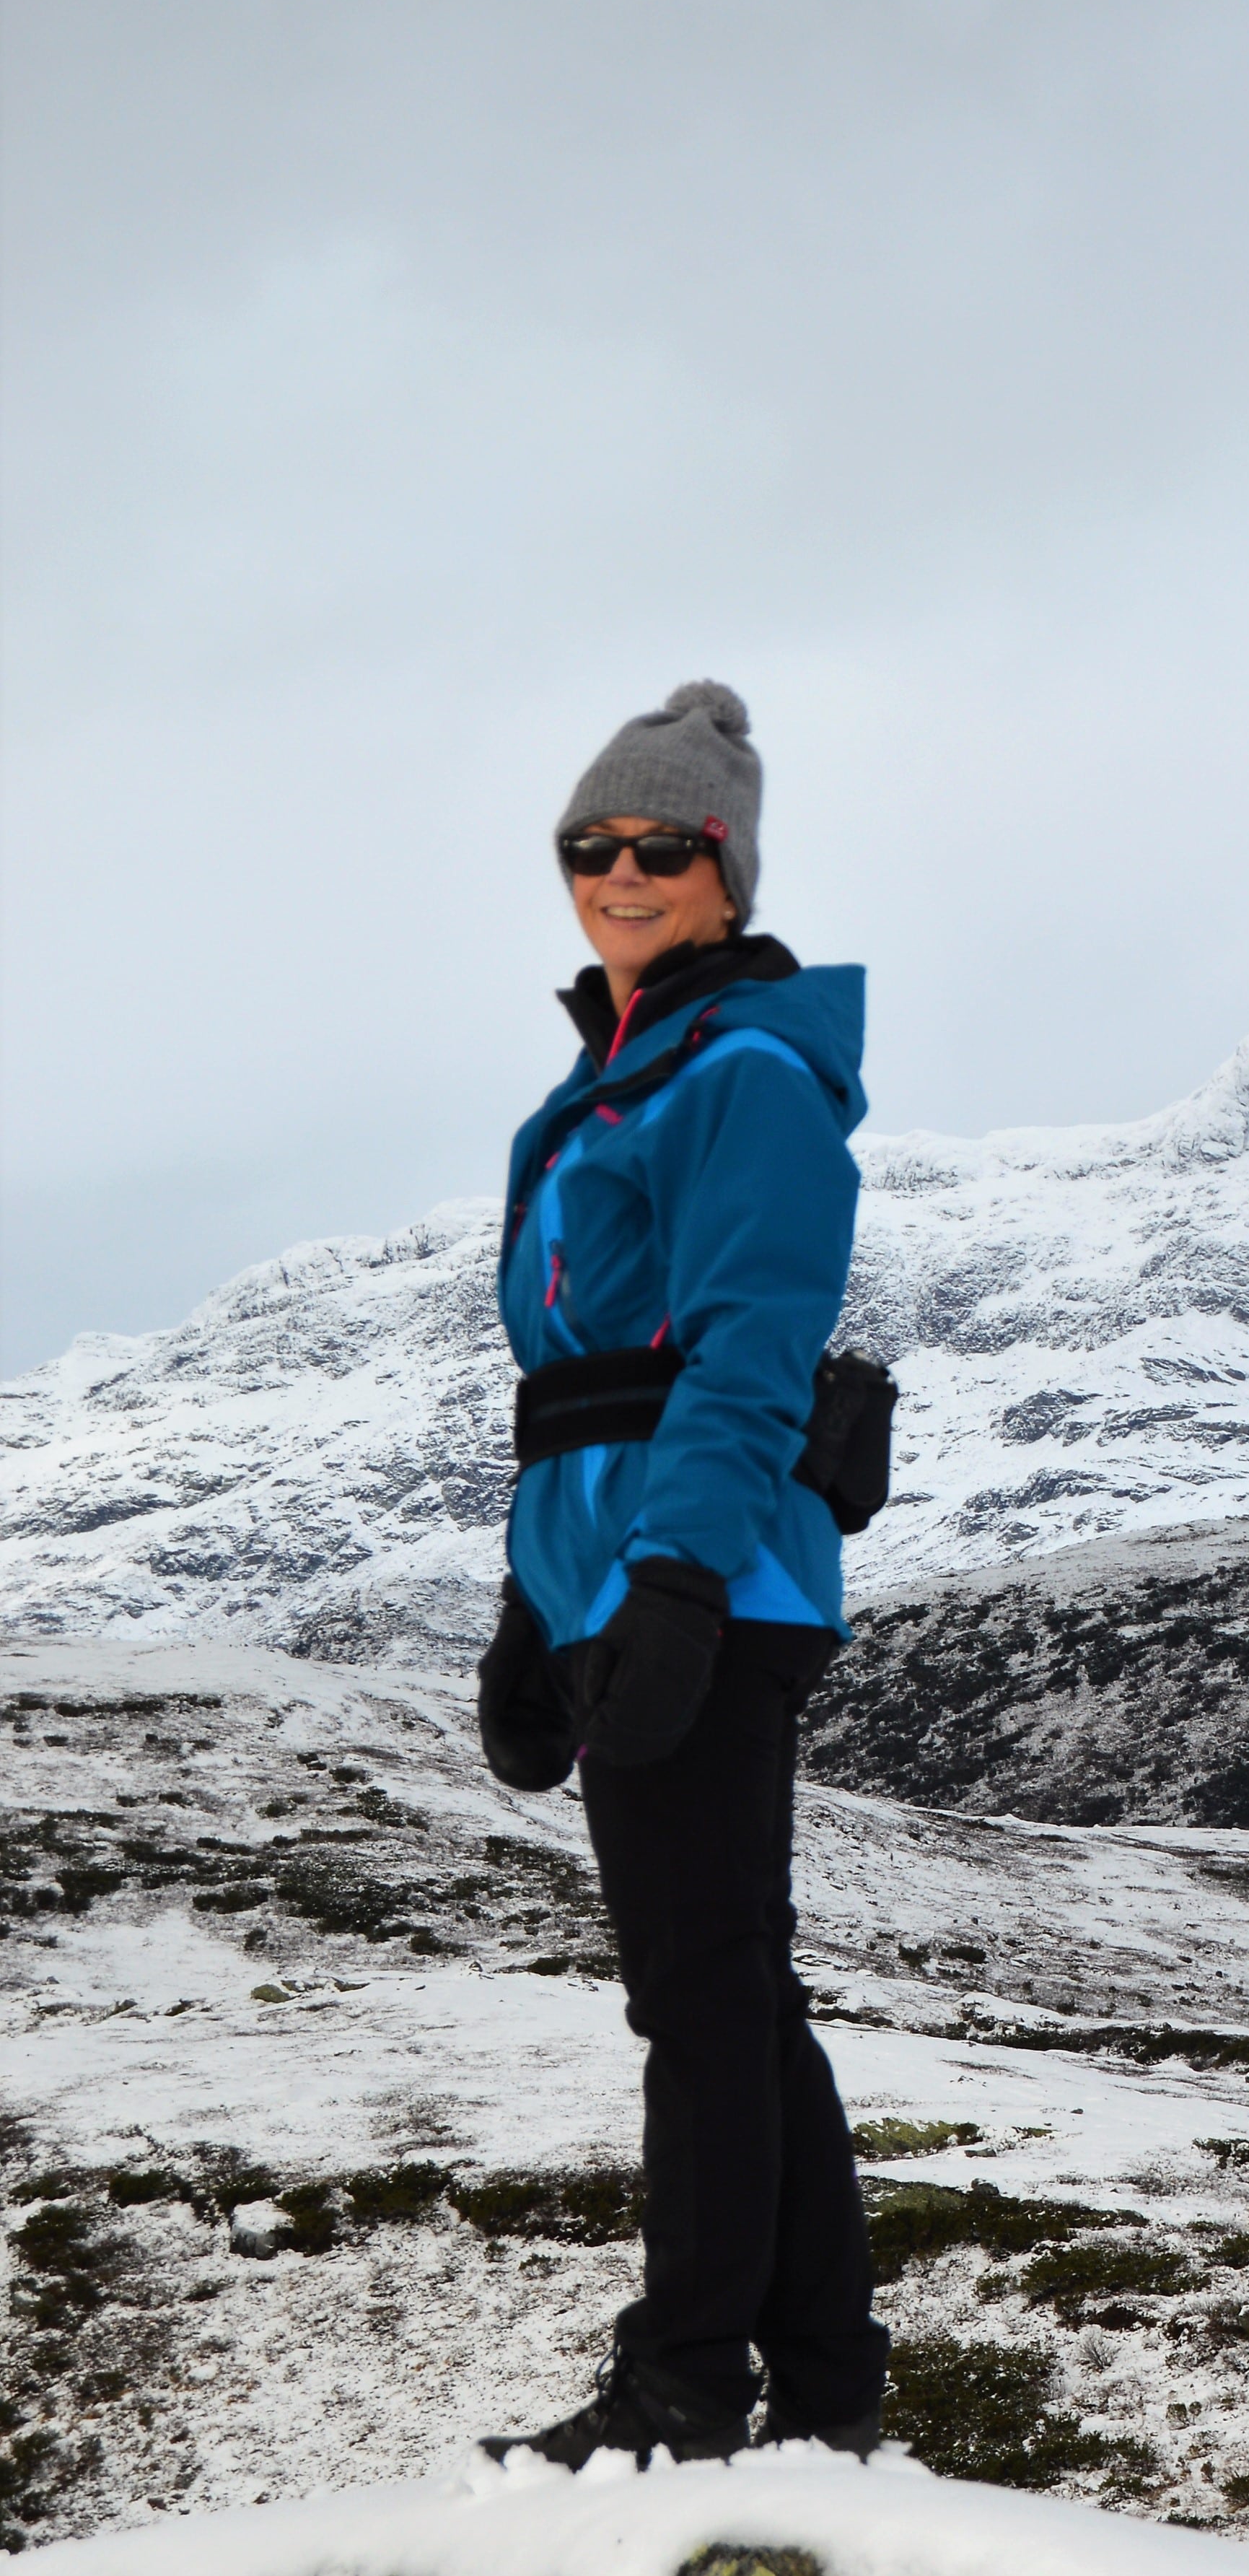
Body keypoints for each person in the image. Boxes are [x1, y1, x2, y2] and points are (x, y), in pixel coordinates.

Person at [473, 680, 886, 2466]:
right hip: (623, 1578)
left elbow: (742, 1352)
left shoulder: (743, 1075)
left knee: (701, 1996)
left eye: (663, 846)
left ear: (726, 868)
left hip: (706, 1581)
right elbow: (575, 1396)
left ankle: (687, 2386)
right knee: (731, 1987)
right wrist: (530, 1605)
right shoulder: (596, 1093)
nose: (622, 871)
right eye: (593, 846)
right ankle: (826, 2385)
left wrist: (676, 1583)